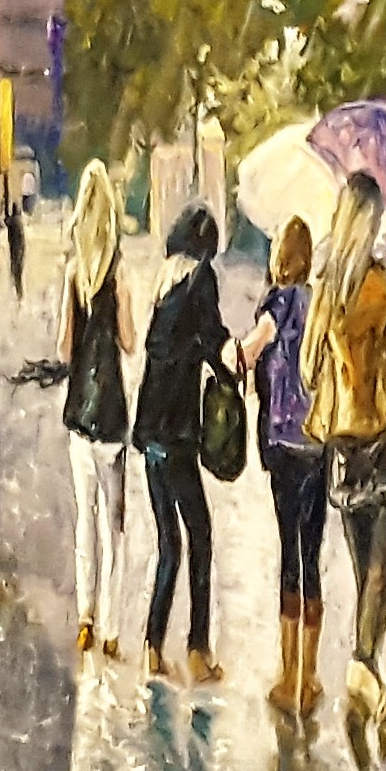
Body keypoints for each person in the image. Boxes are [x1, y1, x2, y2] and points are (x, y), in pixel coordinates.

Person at [304, 172, 386, 769]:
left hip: (342, 453)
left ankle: (384, 718)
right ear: (370, 224)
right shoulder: (381, 287)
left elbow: (307, 371)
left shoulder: (324, 290)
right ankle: (361, 692)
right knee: (381, 583)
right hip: (382, 444)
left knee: (364, 587)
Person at [132, 202, 230, 684]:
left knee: (169, 540)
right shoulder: (200, 281)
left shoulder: (164, 282)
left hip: (149, 429)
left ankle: (152, 646)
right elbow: (213, 340)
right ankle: (197, 649)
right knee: (201, 536)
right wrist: (235, 366)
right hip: (177, 431)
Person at [241, 217, 327, 731]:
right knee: (311, 555)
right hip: (318, 442)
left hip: (281, 443)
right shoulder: (320, 305)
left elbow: (252, 349)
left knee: (288, 552)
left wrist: (232, 357)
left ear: (280, 257)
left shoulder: (278, 303)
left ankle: (287, 672)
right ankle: (310, 677)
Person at [57, 165, 134, 659]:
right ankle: (111, 628)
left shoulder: (74, 274)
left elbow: (64, 349)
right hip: (111, 415)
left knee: (84, 521)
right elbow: (129, 341)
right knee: (115, 526)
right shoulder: (119, 272)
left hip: (79, 413)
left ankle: (84, 617)